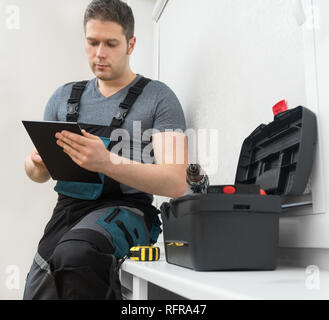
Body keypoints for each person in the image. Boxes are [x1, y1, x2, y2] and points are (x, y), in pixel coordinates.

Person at [23, 0, 188, 300]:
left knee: (76, 257)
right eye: (92, 42)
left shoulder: (159, 98)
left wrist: (107, 162)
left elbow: (177, 182)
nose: (100, 53)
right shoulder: (63, 98)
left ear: (131, 44)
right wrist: (38, 164)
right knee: (42, 285)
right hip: (68, 211)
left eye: (111, 43)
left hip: (129, 210)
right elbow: (35, 174)